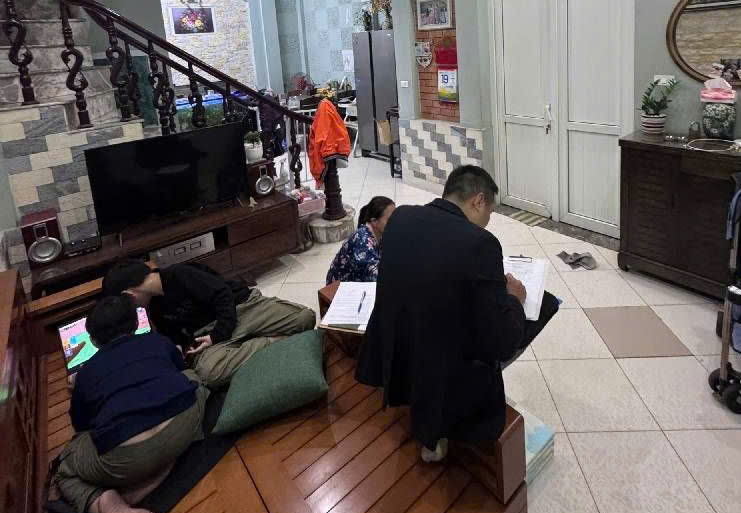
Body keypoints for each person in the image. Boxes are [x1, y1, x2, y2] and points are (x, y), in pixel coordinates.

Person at [356, 165, 559, 462]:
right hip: (442, 370)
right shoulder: (480, 244)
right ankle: (447, 424)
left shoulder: (401, 217)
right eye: (489, 213)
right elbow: (501, 341)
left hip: (397, 350)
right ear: (478, 200)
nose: (487, 222)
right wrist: (514, 298)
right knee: (544, 307)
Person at [55, 295, 209, 513]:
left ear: (93, 340)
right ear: (137, 323)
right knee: (194, 378)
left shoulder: (85, 374)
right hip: (183, 425)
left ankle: (100, 502)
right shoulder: (158, 341)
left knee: (65, 469)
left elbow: (81, 427)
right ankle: (165, 465)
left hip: (125, 458)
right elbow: (180, 369)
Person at [102, 258, 316, 390]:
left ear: (129, 294)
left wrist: (218, 336)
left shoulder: (180, 274)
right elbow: (173, 335)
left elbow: (223, 296)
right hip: (208, 335)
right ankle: (271, 341)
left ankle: (246, 346)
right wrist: (181, 348)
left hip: (242, 308)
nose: (135, 308)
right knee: (209, 374)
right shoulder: (154, 307)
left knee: (305, 318)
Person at [325, 196, 395, 285]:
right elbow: (379, 277)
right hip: (341, 286)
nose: (395, 222)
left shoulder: (378, 232)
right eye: (390, 219)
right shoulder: (363, 242)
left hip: (360, 278)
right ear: (374, 221)